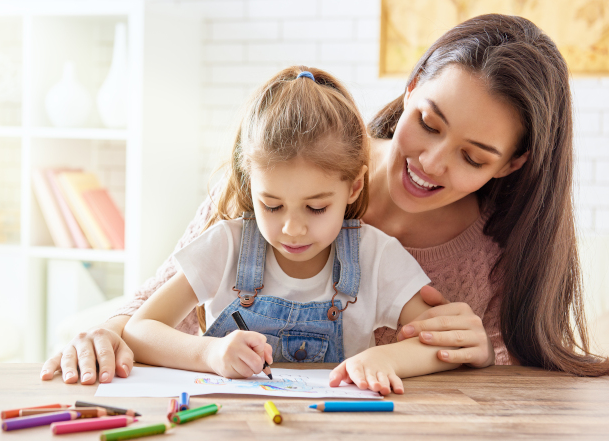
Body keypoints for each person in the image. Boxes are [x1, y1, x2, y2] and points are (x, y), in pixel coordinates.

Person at [41, 14, 609, 386]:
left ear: (512, 164)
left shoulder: (496, 249)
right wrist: (107, 332)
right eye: (428, 123)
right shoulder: (291, 163)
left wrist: (482, 353)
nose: (433, 162)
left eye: (473, 157)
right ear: (410, 90)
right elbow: (154, 307)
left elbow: (510, 382)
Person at [123, 66, 461, 394]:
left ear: (355, 186)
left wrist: (386, 358)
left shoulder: (375, 255)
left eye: (316, 208)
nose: (292, 229)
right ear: (249, 183)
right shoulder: (227, 245)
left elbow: (442, 344)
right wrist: (208, 353)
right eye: (271, 205)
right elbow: (139, 330)